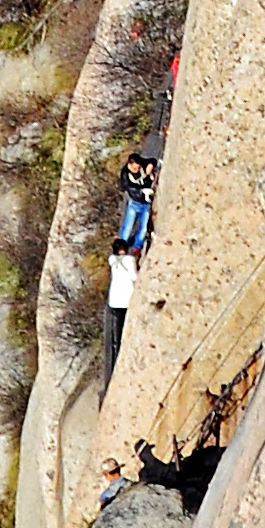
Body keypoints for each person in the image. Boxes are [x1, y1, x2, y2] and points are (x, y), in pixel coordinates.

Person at [100, 147, 157, 385]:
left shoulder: (114, 263)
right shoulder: (127, 175)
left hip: (117, 301)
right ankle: (121, 348)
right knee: (132, 228)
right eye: (133, 166)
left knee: (140, 230)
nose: (135, 168)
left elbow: (151, 160)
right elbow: (129, 188)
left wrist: (150, 168)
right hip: (137, 203)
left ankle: (120, 347)